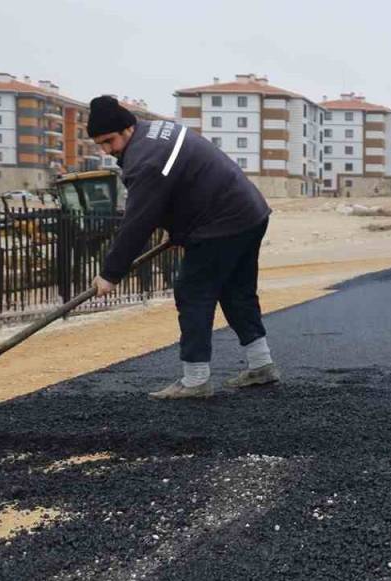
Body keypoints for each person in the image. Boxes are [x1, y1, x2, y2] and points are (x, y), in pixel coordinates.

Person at [85, 95, 280, 400]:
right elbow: (181, 186)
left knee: (193, 292)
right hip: (249, 213)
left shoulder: (146, 160)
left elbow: (137, 222)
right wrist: (179, 231)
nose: (107, 151)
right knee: (236, 290)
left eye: (109, 141)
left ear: (127, 129)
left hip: (222, 222)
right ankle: (261, 364)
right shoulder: (156, 131)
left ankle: (195, 379)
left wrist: (110, 273)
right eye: (100, 145)